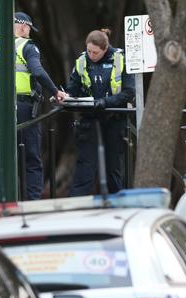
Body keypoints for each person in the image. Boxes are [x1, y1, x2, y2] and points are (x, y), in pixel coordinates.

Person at [0, 12, 66, 200]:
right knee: (31, 159)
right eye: (29, 29)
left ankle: (3, 201)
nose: (29, 33)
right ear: (23, 27)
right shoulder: (27, 46)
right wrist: (56, 92)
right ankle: (32, 203)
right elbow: (38, 72)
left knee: (3, 159)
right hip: (24, 109)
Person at [66, 29, 134, 196]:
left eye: (95, 52)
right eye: (89, 51)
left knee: (113, 169)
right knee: (85, 167)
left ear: (105, 48)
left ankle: (118, 205)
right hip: (90, 119)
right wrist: (65, 98)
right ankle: (77, 207)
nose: (91, 55)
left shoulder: (120, 59)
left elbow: (129, 92)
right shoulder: (82, 61)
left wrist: (106, 102)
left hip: (114, 119)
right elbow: (72, 89)